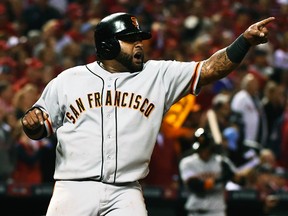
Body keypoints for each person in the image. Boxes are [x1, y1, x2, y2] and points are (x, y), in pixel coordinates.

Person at [20, 12, 275, 216]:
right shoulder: (68, 80)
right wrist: (31, 123)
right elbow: (39, 126)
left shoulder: (158, 75)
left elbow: (209, 69)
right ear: (108, 45)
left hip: (126, 192)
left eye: (139, 38)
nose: (139, 44)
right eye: (130, 39)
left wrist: (244, 42)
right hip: (74, 188)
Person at [179, 128, 240, 216]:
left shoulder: (222, 162)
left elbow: (240, 180)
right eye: (201, 149)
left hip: (217, 212)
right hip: (195, 211)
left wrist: (232, 175)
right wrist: (221, 179)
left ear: (211, 147)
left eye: (205, 148)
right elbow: (195, 185)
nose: (203, 152)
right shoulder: (187, 162)